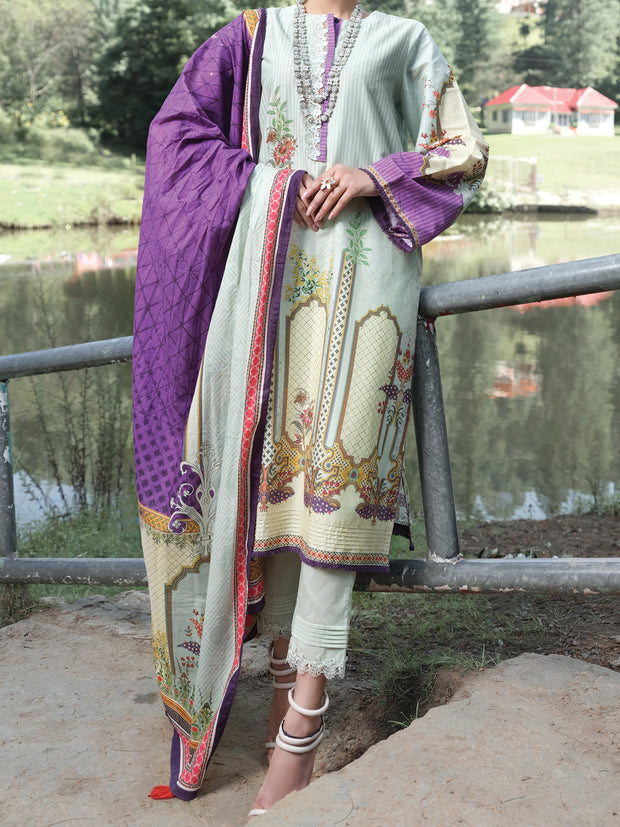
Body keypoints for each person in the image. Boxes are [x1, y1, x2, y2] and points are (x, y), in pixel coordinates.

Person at [132, 0, 488, 815]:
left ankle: (302, 726)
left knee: (336, 482)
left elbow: (462, 149)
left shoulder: (405, 40)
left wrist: (374, 174)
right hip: (264, 288)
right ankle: (283, 678)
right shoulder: (248, 39)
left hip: (371, 288)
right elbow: (176, 138)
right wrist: (277, 186)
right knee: (270, 483)